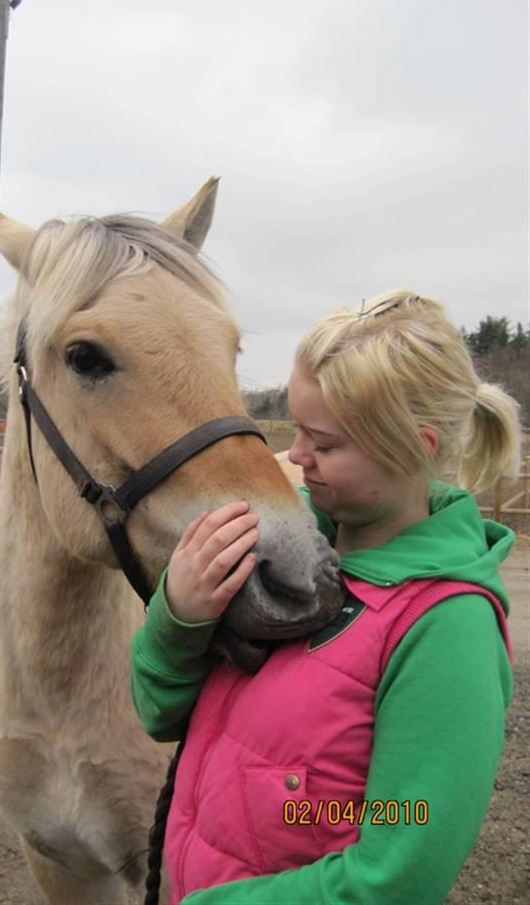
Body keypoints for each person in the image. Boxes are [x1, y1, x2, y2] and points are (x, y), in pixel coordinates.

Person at [130, 289, 521, 905]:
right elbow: (160, 715)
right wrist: (177, 619)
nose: (295, 456)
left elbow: (397, 872)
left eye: (325, 443)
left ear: (415, 447)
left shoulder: (447, 629)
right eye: (296, 429)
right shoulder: (278, 554)